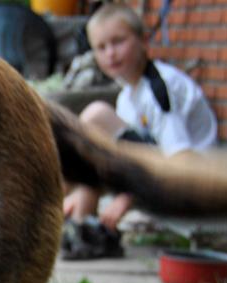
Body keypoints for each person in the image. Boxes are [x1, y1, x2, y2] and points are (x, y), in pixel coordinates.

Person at [61, 2, 218, 259]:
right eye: (101, 47)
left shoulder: (160, 89)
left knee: (96, 116)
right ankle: (84, 231)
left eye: (118, 41)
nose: (110, 53)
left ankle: (74, 220)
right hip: (154, 174)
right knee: (94, 153)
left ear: (144, 40)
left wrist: (126, 197)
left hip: (190, 182)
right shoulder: (127, 96)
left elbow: (181, 160)